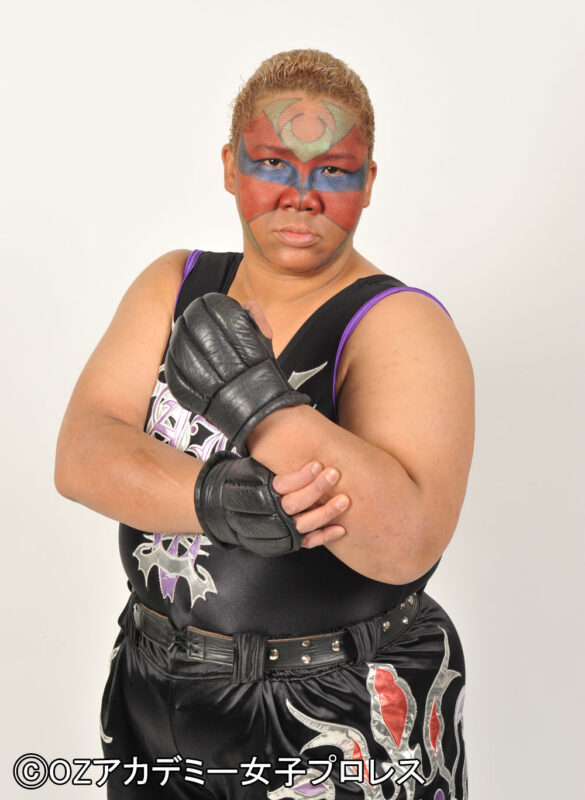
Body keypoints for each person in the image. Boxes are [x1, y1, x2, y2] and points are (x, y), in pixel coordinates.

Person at [55, 49, 474, 800]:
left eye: (333, 170)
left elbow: (408, 537)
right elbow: (83, 455)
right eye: (273, 162)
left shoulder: (399, 322)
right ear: (230, 166)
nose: (300, 195)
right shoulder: (176, 282)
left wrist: (256, 402)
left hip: (335, 705)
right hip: (153, 682)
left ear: (368, 182)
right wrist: (216, 498)